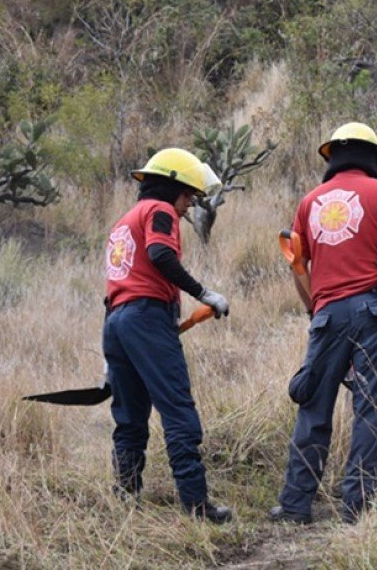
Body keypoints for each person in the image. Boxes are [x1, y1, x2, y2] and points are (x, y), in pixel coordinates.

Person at [270, 122, 377, 525]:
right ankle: (358, 505)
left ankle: (295, 505)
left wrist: (316, 310)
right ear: (375, 157)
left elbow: (298, 267)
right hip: (375, 314)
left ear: (333, 157)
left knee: (313, 404)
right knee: (372, 407)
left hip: (326, 314)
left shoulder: (309, 203)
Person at [102, 148, 232, 523]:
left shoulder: (123, 223)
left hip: (117, 322)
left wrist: (112, 356)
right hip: (146, 318)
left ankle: (125, 500)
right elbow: (160, 254)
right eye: (188, 194)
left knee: (129, 419)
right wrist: (203, 293)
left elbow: (117, 287)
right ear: (173, 187)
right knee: (178, 410)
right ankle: (197, 506)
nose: (189, 203)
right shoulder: (159, 211)